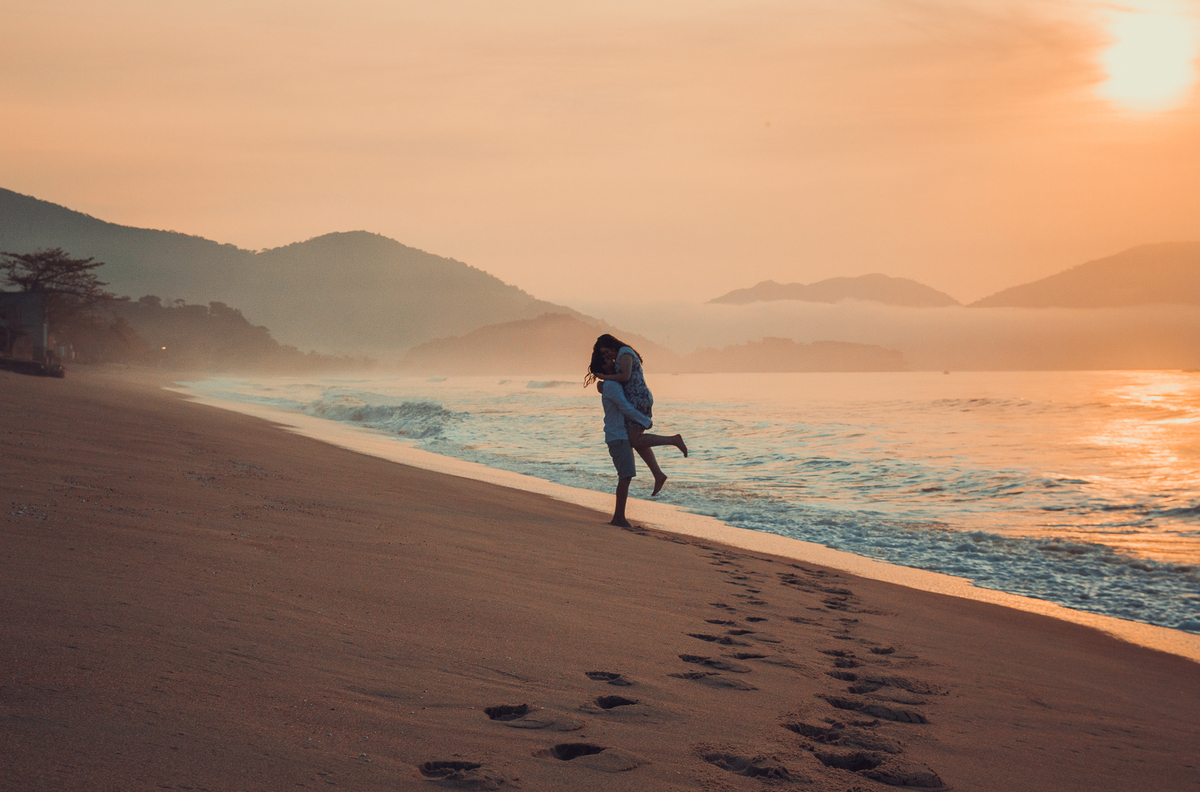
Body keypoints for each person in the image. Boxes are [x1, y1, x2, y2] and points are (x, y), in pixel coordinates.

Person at [585, 333, 687, 495]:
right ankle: (658, 474)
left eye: (606, 351)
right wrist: (604, 385)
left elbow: (625, 376)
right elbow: (618, 384)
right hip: (633, 399)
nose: (607, 355)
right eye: (603, 354)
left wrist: (605, 377)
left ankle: (673, 440)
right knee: (636, 440)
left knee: (634, 439)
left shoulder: (625, 352)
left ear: (612, 345)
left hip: (639, 399)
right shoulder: (620, 356)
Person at [590, 350, 652, 527]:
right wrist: (645, 421)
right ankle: (618, 517)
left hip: (618, 435)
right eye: (606, 359)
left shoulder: (610, 384)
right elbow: (625, 407)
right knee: (625, 476)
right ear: (603, 367)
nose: (611, 360)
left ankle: (619, 516)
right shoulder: (611, 385)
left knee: (626, 476)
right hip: (617, 436)